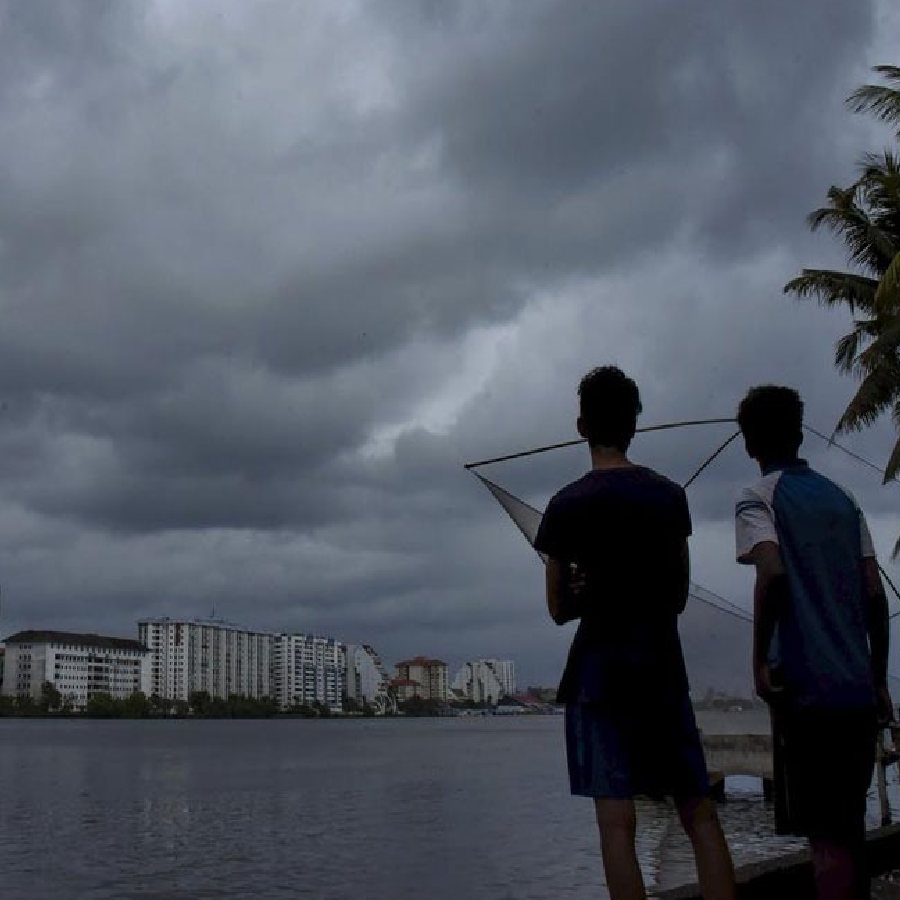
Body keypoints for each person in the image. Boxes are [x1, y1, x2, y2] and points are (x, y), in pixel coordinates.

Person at [535, 366, 736, 900]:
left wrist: (585, 588)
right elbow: (677, 595)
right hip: (661, 670)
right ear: (634, 425)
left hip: (599, 675)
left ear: (581, 425)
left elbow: (557, 608)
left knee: (616, 826)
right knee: (699, 812)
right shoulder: (669, 498)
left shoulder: (564, 506)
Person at [734, 385, 892, 900]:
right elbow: (875, 596)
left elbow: (772, 572)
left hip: (805, 691)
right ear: (800, 434)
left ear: (748, 444)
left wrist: (759, 660)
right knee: (849, 828)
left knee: (825, 839)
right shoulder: (844, 501)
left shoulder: (757, 499)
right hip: (856, 691)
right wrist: (878, 679)